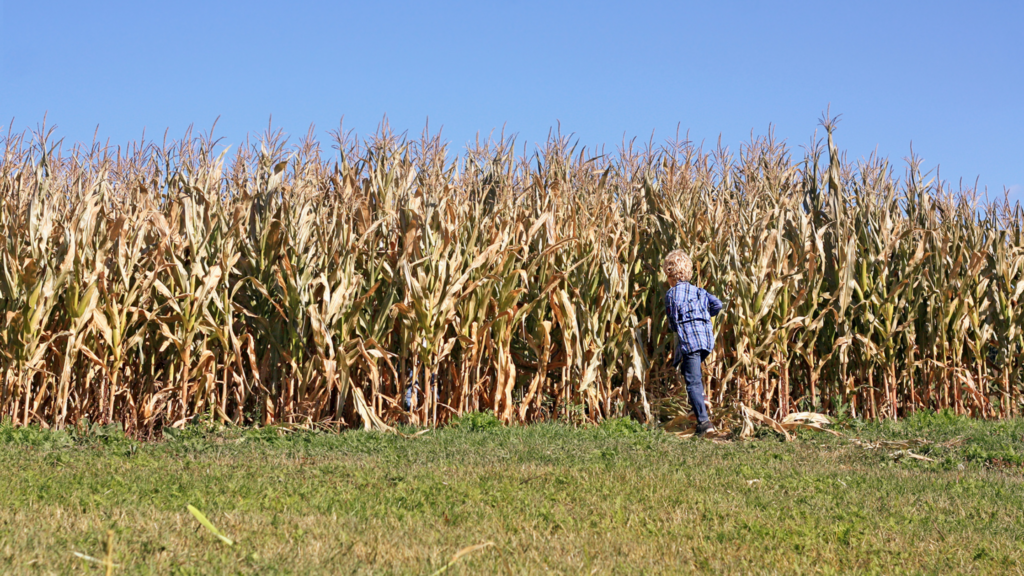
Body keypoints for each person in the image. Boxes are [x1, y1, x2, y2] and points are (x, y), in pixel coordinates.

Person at [663, 249, 723, 436]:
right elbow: (718, 304)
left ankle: (704, 423)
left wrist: (678, 326)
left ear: (670, 275)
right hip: (705, 340)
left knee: (692, 381)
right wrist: (704, 316)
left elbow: (673, 322)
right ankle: (698, 405)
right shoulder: (699, 291)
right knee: (691, 374)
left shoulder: (672, 294)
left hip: (689, 342)